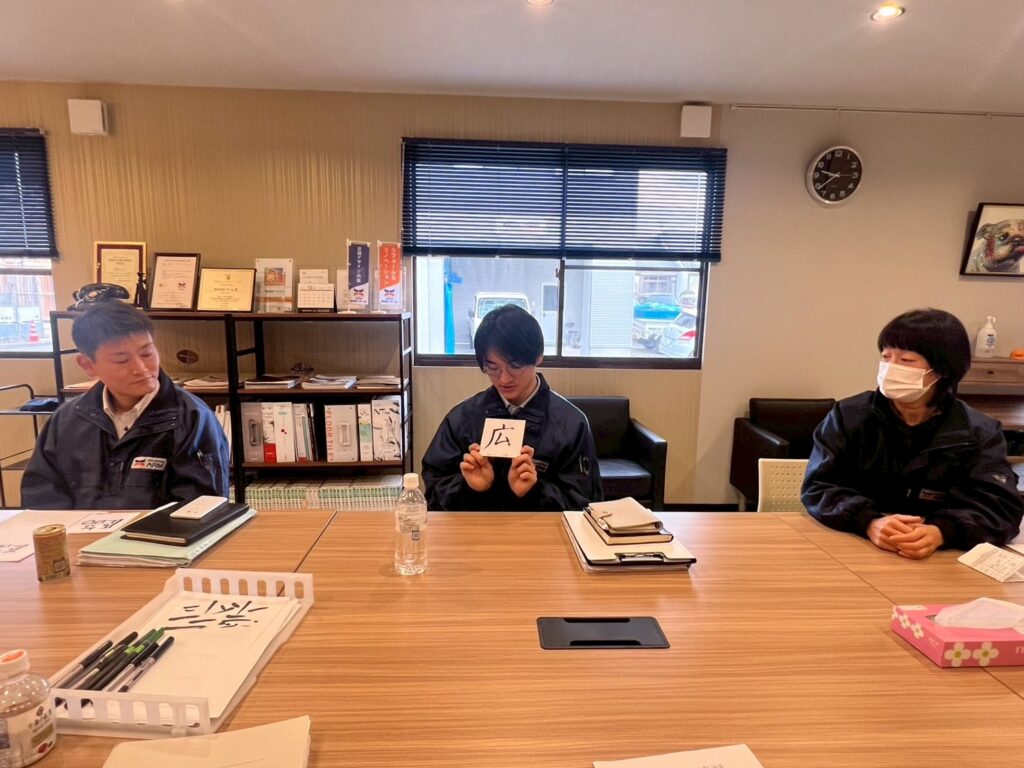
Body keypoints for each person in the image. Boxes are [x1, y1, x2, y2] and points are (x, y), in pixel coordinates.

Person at [802, 308, 1023, 559]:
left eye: (906, 360)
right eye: (886, 357)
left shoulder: (979, 432)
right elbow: (819, 487)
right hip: (854, 545)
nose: (890, 368)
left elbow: (1000, 508)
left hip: (938, 558)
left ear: (943, 369)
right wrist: (868, 521)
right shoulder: (848, 416)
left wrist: (942, 531)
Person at [21, 302, 230, 509]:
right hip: (78, 531)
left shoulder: (192, 417)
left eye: (147, 354)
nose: (141, 368)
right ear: (88, 365)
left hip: (157, 532)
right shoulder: (67, 420)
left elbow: (200, 507)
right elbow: (42, 499)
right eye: (122, 360)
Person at [422, 304, 602, 511]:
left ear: (538, 357)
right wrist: (469, 487)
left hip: (542, 532)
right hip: (476, 531)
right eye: (493, 367)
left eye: (515, 366)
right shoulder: (461, 419)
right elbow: (433, 491)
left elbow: (586, 505)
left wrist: (535, 490)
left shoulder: (572, 424)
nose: (504, 379)